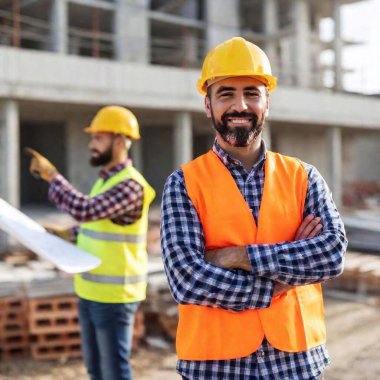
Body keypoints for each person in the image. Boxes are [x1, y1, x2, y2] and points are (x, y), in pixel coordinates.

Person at [160, 37, 347, 380]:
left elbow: (331, 255)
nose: (240, 105)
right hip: (215, 366)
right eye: (226, 93)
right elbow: (187, 279)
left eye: (252, 93)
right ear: (208, 105)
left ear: (267, 102)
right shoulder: (183, 184)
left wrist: (236, 256)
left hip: (295, 363)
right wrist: (280, 280)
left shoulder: (303, 176)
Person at [27, 105, 155, 380]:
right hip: (90, 289)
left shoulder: (130, 186)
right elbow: (95, 225)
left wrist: (52, 176)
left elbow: (85, 210)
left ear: (119, 142)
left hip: (114, 296)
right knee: (95, 371)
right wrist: (65, 235)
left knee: (114, 372)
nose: (91, 144)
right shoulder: (105, 182)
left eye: (99, 138)